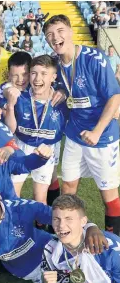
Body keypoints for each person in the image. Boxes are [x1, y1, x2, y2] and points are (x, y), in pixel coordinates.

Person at [0, 178, 106, 283]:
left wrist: (90, 226)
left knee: (97, 260)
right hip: (31, 270)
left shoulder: (19, 207)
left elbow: (56, 215)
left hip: (51, 247)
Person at [44, 15, 120, 235]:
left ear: (70, 31)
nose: (55, 38)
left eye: (59, 31)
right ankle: (72, 236)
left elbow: (115, 97)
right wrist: (59, 90)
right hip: (75, 135)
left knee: (109, 196)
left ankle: (113, 245)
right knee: (68, 189)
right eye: (50, 35)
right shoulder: (55, 63)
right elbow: (63, 88)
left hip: (102, 137)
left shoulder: (94, 58)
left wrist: (97, 131)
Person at [4, 55, 67, 211]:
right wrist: (10, 105)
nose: (37, 78)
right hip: (21, 147)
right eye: (33, 73)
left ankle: (42, 231)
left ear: (53, 77)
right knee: (12, 194)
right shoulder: (20, 96)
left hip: (47, 149)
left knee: (40, 199)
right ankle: (15, 230)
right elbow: (10, 128)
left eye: (44, 74)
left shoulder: (62, 100)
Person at [41, 194, 120, 283]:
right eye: (56, 219)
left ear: (84, 221)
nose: (61, 226)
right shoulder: (51, 251)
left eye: (69, 219)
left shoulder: (109, 250)